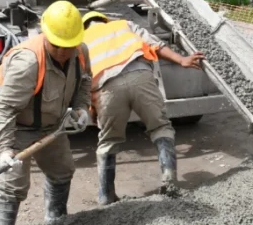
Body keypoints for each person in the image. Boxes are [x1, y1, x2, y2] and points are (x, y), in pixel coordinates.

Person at [0, 0, 92, 225]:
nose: (62, 52)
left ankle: (55, 220)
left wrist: (81, 108)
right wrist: (6, 149)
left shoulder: (81, 52)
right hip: (13, 124)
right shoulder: (28, 62)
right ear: (45, 34)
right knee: (13, 186)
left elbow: (85, 81)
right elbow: (5, 108)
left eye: (68, 46)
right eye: (56, 45)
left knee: (62, 171)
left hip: (50, 123)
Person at [81, 11, 204, 204]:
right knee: (160, 127)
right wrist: (182, 60)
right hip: (140, 75)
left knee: (108, 141)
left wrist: (93, 110)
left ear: (84, 26)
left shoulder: (80, 42)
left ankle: (106, 196)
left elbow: (83, 80)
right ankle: (169, 182)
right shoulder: (123, 24)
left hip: (106, 88)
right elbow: (156, 44)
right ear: (105, 21)